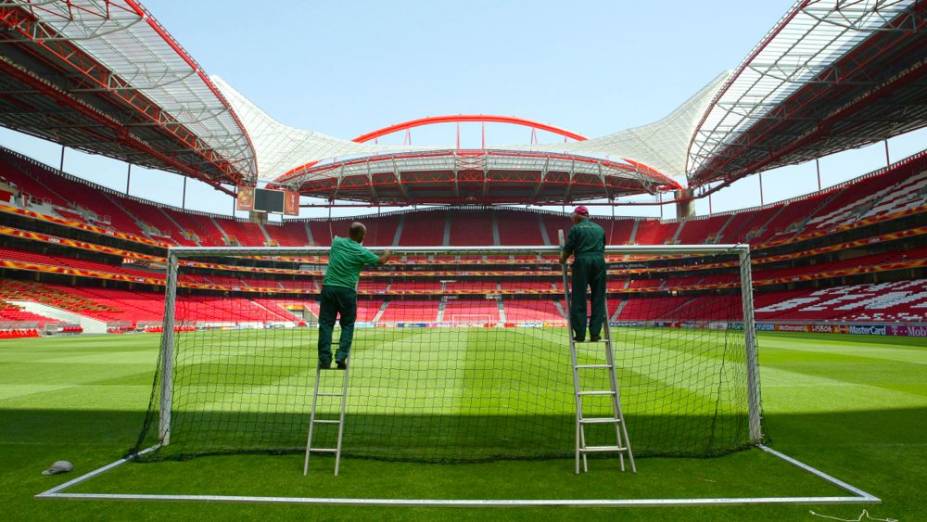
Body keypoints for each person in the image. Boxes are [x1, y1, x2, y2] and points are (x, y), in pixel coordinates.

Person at [317, 222, 391, 369]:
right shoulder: (361, 251)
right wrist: (388, 252)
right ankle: (341, 356)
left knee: (326, 324)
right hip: (347, 291)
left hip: (329, 288)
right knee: (348, 324)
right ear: (362, 236)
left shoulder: (337, 242)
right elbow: (381, 261)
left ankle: (325, 359)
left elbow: (339, 241)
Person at [559, 205, 607, 343]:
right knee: (598, 298)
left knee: (579, 298)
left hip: (582, 262)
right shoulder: (599, 228)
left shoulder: (575, 229)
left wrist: (562, 259)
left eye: (573, 216)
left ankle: (580, 334)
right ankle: (595, 334)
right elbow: (603, 247)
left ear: (577, 216)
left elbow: (568, 249)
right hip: (599, 262)